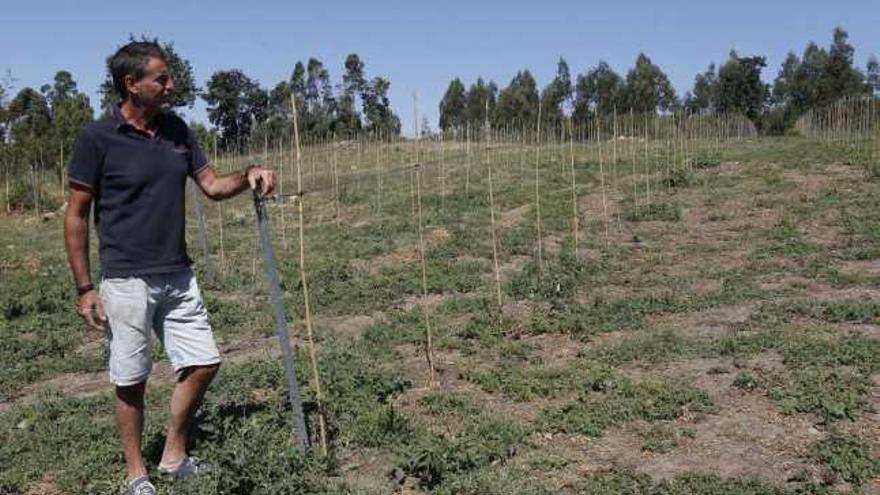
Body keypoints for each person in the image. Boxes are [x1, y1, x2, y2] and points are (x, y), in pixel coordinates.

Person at [63, 40, 275, 495]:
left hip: (178, 273)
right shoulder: (96, 139)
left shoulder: (178, 130)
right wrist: (84, 287)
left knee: (204, 362)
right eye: (161, 77)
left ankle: (173, 453)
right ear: (131, 84)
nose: (171, 84)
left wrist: (248, 174)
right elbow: (77, 214)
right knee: (131, 378)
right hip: (125, 278)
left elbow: (214, 186)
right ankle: (136, 472)